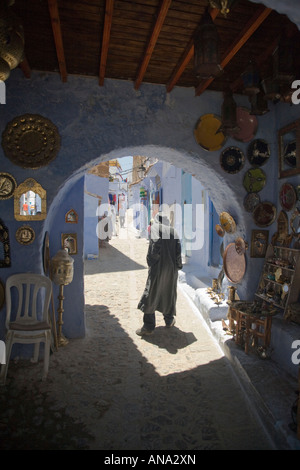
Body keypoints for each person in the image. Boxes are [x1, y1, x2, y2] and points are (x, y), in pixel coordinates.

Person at [136, 211, 183, 336]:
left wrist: (152, 261)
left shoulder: (156, 228)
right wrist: (178, 266)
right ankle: (169, 320)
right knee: (168, 293)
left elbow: (155, 244)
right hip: (171, 269)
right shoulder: (174, 231)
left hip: (159, 268)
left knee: (151, 294)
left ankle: (148, 326)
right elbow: (178, 252)